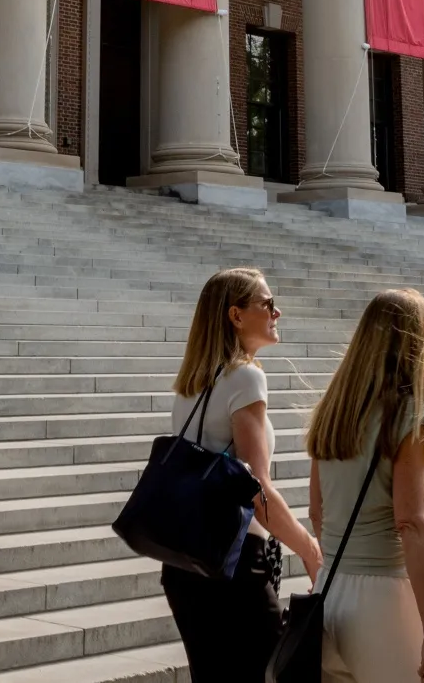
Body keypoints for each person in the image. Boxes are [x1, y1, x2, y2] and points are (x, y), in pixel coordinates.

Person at [161, 268, 323, 682]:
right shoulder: (246, 377)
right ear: (236, 315)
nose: (277, 312)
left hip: (183, 562)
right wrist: (309, 548)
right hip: (234, 562)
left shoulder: (193, 383)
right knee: (275, 674)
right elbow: (257, 488)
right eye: (268, 304)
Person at [308, 289, 424, 683]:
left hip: (330, 588)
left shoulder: (333, 412)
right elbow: (411, 522)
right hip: (383, 599)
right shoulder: (409, 416)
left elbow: (317, 512)